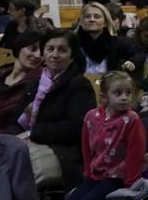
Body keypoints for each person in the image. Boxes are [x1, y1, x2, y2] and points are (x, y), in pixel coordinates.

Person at [58, 71, 147, 200]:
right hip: (95, 175)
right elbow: (86, 147)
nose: (124, 97)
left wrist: (131, 183)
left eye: (128, 93)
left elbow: (135, 152)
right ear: (104, 97)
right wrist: (87, 172)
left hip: (116, 178)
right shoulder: (92, 117)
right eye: (118, 93)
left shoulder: (132, 120)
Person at [18, 29, 97, 189]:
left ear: (72, 55)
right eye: (50, 49)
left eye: (62, 50)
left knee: (15, 164)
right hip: (34, 143)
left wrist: (33, 133)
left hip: (64, 152)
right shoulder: (36, 81)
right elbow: (18, 119)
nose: (54, 55)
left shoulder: (79, 85)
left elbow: (76, 128)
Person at [75, 2, 133, 74]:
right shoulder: (73, 43)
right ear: (82, 21)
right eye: (87, 17)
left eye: (97, 17)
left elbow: (139, 54)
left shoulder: (117, 42)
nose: (92, 19)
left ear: (105, 22)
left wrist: (131, 62)